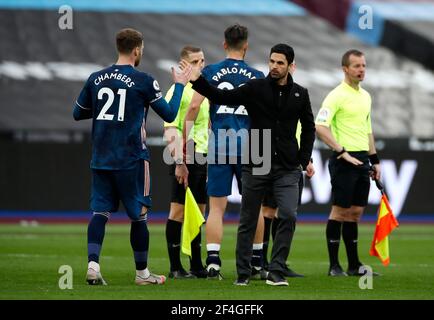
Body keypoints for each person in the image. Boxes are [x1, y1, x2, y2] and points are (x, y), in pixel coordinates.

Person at [188, 43, 316, 286]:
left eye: (280, 63)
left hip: (288, 167)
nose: (275, 66)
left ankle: (276, 271)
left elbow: (309, 127)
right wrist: (198, 81)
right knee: (247, 219)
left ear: (291, 66)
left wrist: (303, 158)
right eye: (272, 61)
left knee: (288, 215)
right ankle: (243, 273)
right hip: (257, 160)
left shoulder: (301, 93)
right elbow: (222, 96)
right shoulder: (256, 87)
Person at [73, 28, 192, 286]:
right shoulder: (144, 81)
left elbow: (78, 113)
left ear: (119, 47)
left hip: (101, 157)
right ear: (137, 49)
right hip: (132, 159)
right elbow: (170, 114)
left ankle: (93, 267)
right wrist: (180, 85)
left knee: (100, 212)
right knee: (138, 215)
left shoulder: (96, 78)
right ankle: (142, 274)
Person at [181, 24, 267, 280]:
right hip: (252, 146)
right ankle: (258, 262)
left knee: (217, 208)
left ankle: (214, 263)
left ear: (224, 44)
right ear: (247, 45)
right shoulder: (257, 75)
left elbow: (195, 107)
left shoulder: (210, 71)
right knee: (255, 207)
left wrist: (185, 141)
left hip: (219, 144)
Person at [315, 49, 381, 277]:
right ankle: (334, 265)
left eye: (363, 65)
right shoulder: (335, 95)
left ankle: (354, 265)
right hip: (344, 159)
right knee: (339, 212)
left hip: (362, 158)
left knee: (355, 212)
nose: (361, 69)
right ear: (345, 69)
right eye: (356, 66)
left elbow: (368, 130)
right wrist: (341, 151)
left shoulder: (366, 96)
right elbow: (320, 126)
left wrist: (375, 160)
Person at [163, 45, 209, 279]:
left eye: (202, 60)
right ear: (184, 65)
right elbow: (170, 128)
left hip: (202, 156)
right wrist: (179, 162)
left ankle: (196, 264)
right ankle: (175, 267)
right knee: (179, 211)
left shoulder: (203, 90)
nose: (200, 65)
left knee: (199, 212)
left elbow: (205, 125)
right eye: (195, 62)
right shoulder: (177, 91)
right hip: (185, 156)